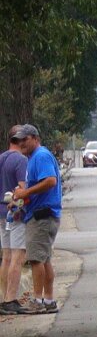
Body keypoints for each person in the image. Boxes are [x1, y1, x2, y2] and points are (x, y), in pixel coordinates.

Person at [6, 126, 61, 314]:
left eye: (25, 139)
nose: (21, 143)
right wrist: (19, 201)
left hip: (42, 216)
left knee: (36, 260)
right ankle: (49, 300)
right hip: (41, 213)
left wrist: (25, 192)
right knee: (44, 260)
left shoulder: (41, 156)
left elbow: (50, 181)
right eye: (18, 140)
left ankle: (38, 300)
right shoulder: (32, 158)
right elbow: (36, 189)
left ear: (35, 138)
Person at [0, 129, 24, 312]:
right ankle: (11, 299)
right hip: (15, 213)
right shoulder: (21, 160)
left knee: (6, 256)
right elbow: (23, 188)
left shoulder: (1, 158)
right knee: (18, 256)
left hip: (1, 213)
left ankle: (4, 297)